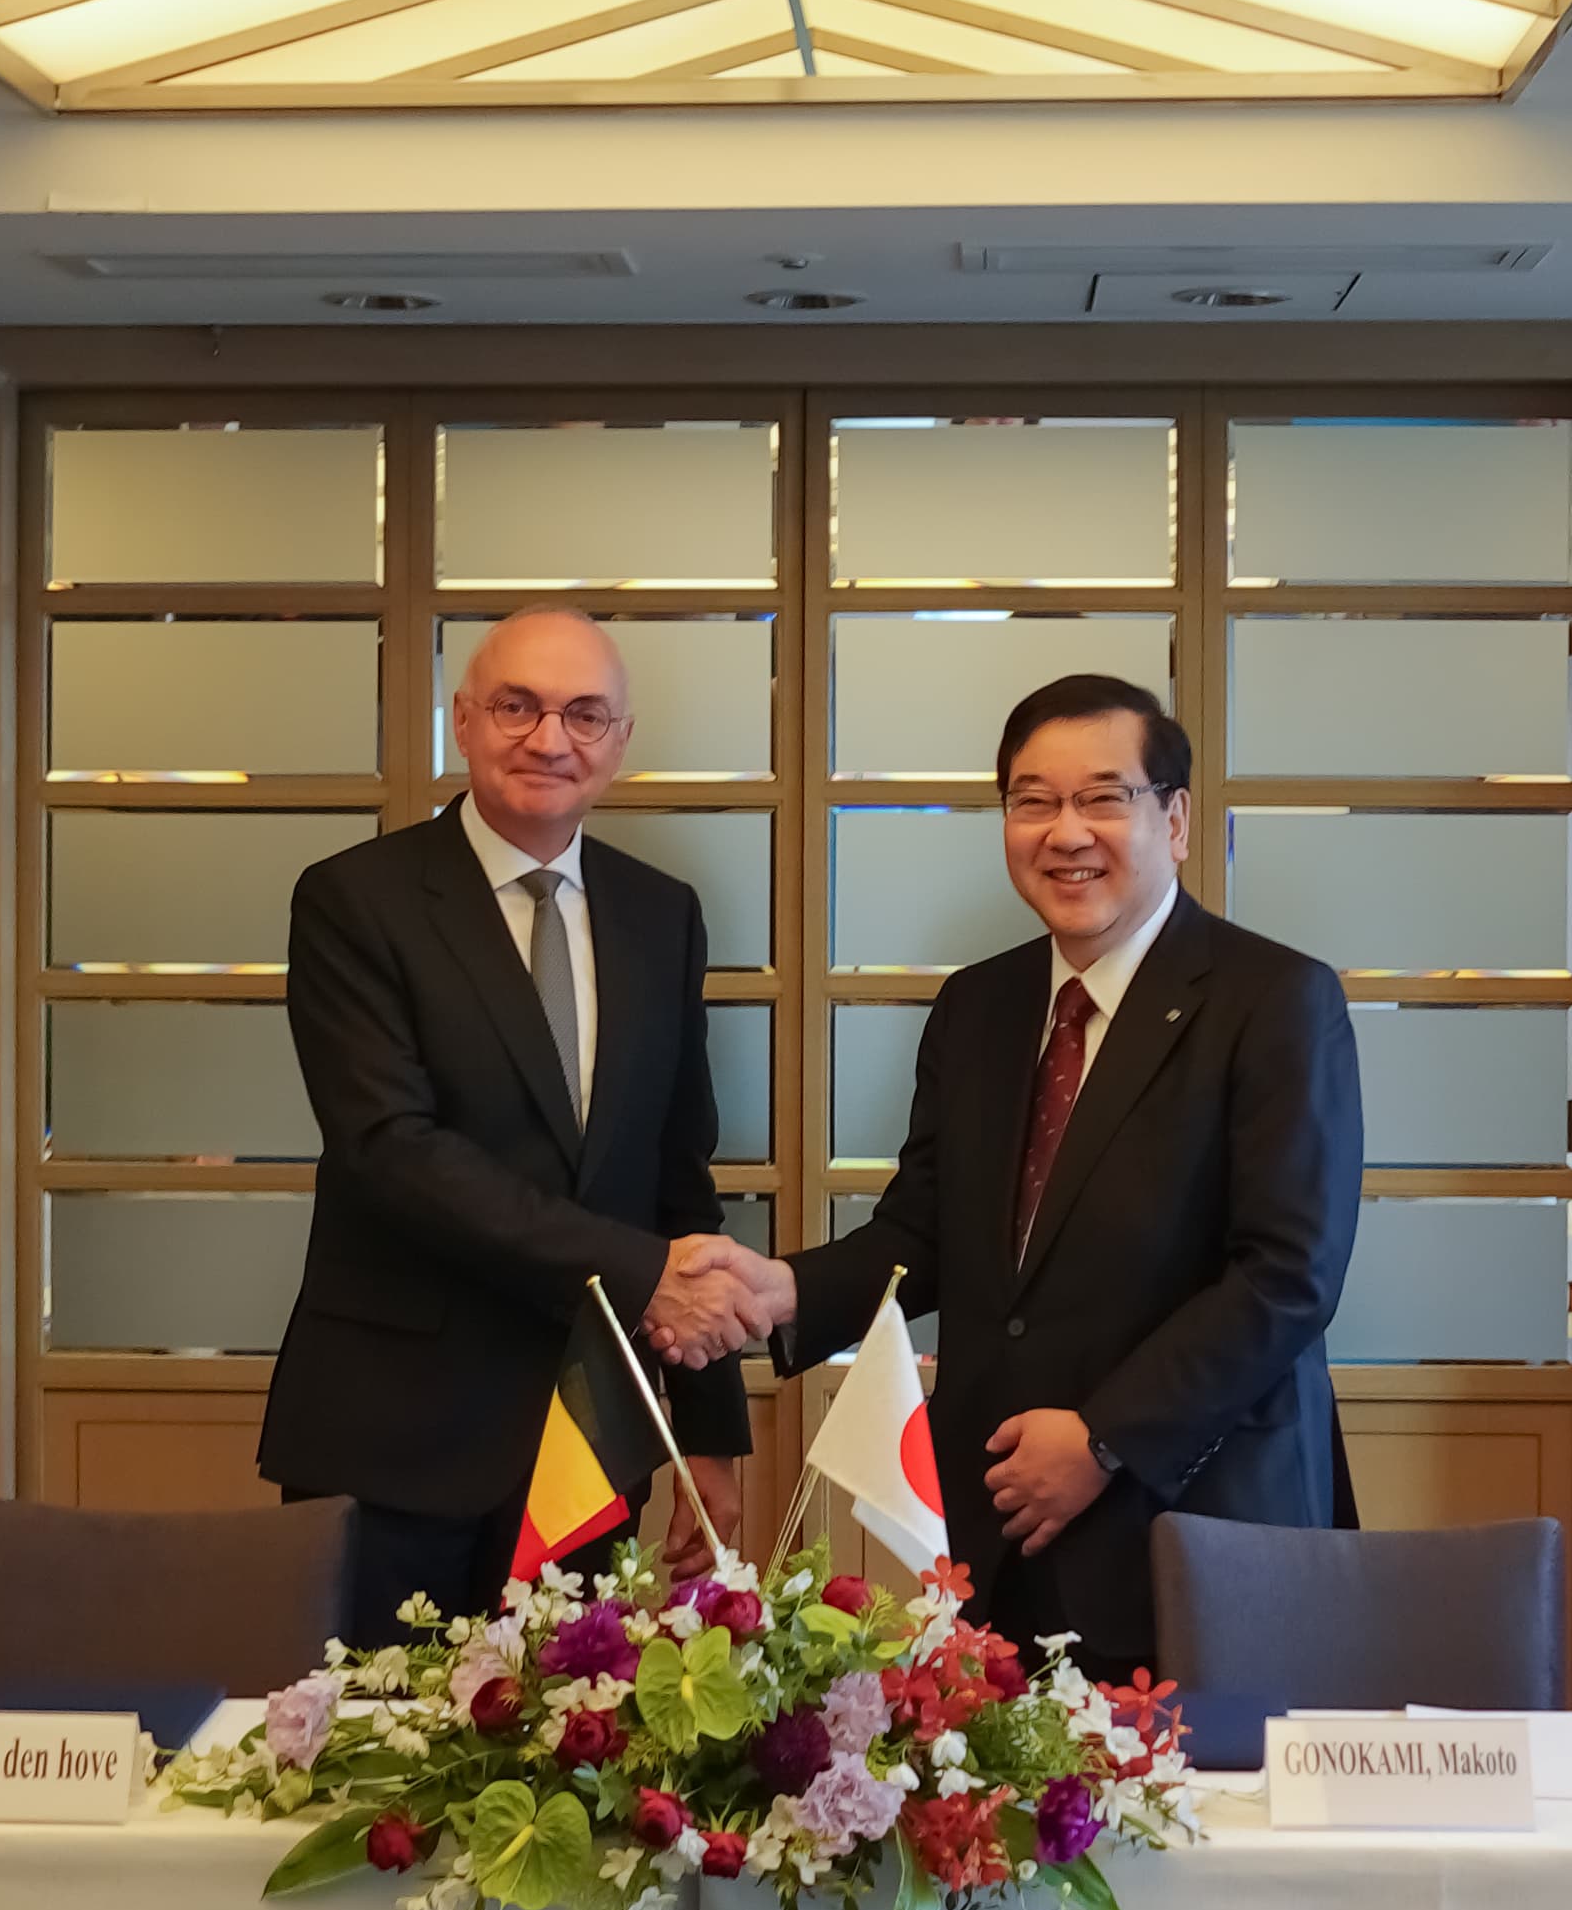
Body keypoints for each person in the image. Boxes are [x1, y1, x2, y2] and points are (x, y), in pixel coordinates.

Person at [659, 674, 1359, 1680]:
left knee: (1195, 1834)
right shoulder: (979, 1006)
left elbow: (1287, 1276)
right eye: (1033, 800)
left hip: (1195, 1528)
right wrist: (787, 1291)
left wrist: (1105, 1438)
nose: (1064, 831)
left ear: (1176, 818)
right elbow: (926, 1235)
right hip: (1000, 1528)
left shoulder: (1276, 999)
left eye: (1102, 797)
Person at [262, 607, 773, 1642]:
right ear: (462, 719)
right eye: (518, 706)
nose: (551, 738)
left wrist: (709, 1433)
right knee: (378, 1770)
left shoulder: (658, 913)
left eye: (586, 714)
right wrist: (638, 1271)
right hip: (395, 1437)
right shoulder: (357, 901)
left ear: (622, 741)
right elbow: (391, 1153)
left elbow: (680, 1178)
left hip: (589, 1433)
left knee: (570, 1777)